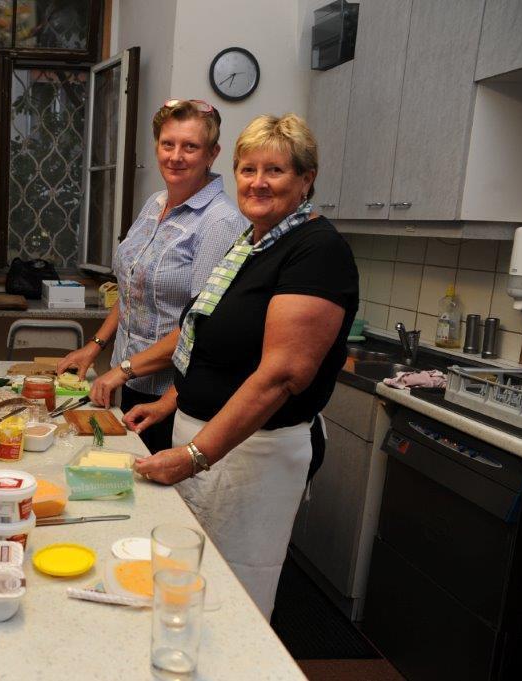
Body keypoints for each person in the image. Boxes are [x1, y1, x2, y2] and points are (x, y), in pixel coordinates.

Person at [124, 113, 358, 619]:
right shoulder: (253, 242)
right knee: (190, 584)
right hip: (207, 444)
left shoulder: (317, 251)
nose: (257, 183)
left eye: (275, 171)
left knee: (234, 597)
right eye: (248, 169)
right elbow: (208, 339)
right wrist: (171, 403)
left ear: (306, 179)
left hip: (254, 454)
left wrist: (195, 454)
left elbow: (281, 375)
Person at [56, 99, 245, 453]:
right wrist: (95, 347)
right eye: (167, 144)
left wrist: (123, 369)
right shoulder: (155, 204)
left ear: (212, 153)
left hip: (172, 398)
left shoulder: (220, 222)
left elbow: (199, 326)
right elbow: (133, 289)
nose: (176, 156)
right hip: (129, 381)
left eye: (190, 146)